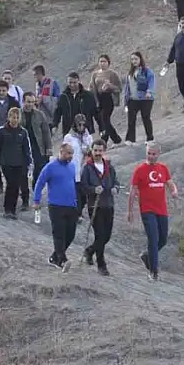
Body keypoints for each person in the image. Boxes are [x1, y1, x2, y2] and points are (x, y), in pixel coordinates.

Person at [128, 142, 178, 281]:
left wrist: (174, 191)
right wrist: (130, 211)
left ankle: (146, 256)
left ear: (158, 154)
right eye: (148, 153)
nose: (150, 156)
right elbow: (132, 191)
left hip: (161, 209)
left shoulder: (163, 168)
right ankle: (153, 271)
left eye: (153, 154)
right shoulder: (139, 170)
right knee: (153, 239)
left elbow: (170, 182)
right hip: (147, 210)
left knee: (163, 239)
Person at [33, 142, 80, 270]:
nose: (70, 156)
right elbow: (39, 183)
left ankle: (54, 257)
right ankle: (62, 260)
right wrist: (36, 200)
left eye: (72, 154)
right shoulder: (50, 167)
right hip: (55, 205)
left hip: (71, 205)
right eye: (68, 153)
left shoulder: (72, 167)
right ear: (61, 152)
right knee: (59, 233)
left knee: (70, 234)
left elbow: (73, 185)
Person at [81, 140, 120, 275]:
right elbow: (84, 187)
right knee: (100, 234)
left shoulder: (110, 167)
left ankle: (90, 250)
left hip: (108, 204)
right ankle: (101, 264)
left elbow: (116, 182)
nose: (97, 153)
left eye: (100, 151)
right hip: (95, 206)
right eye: (95, 150)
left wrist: (116, 188)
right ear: (92, 150)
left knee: (106, 236)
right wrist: (93, 190)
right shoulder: (87, 168)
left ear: (104, 151)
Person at [0, 107, 33, 219]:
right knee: (10, 184)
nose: (15, 120)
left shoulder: (23, 132)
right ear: (8, 117)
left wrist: (29, 161)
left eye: (17, 117)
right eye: (13, 117)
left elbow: (27, 148)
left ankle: (13, 210)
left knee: (16, 186)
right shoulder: (2, 131)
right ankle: (7, 209)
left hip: (20, 163)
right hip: (6, 162)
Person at [20, 92, 52, 210]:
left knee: (39, 169)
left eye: (33, 102)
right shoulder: (18, 114)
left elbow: (46, 132)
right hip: (22, 148)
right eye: (28, 102)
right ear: (23, 101)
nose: (30, 104)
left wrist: (49, 148)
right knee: (23, 173)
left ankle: (35, 190)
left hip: (38, 147)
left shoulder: (40, 115)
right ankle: (24, 198)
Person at [62, 114, 94, 213]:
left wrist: (89, 150)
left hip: (84, 168)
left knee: (84, 194)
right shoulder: (69, 137)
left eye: (83, 125)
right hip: (73, 168)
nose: (81, 127)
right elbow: (64, 151)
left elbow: (92, 152)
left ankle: (78, 211)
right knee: (76, 194)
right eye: (79, 124)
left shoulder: (88, 137)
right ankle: (77, 213)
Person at [122, 52, 156, 145]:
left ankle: (150, 138)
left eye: (136, 59)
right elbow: (127, 87)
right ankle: (130, 139)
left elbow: (151, 81)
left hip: (145, 99)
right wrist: (126, 99)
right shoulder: (130, 72)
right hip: (133, 99)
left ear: (140, 59)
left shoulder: (147, 71)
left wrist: (149, 91)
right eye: (132, 59)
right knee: (131, 119)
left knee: (146, 117)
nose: (134, 61)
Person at [90, 55, 124, 146]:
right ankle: (104, 141)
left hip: (108, 98)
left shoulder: (112, 74)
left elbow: (119, 88)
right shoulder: (95, 74)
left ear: (108, 63)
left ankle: (115, 140)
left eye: (104, 61)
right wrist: (94, 100)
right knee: (102, 121)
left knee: (105, 119)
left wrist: (110, 86)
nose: (102, 63)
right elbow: (93, 88)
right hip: (99, 98)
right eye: (100, 61)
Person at [53, 72, 98, 137]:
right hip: (69, 131)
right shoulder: (63, 97)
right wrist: (55, 125)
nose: (72, 85)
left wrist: (102, 127)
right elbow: (57, 112)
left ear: (79, 81)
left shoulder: (88, 95)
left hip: (86, 130)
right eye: (70, 82)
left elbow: (95, 112)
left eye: (74, 82)